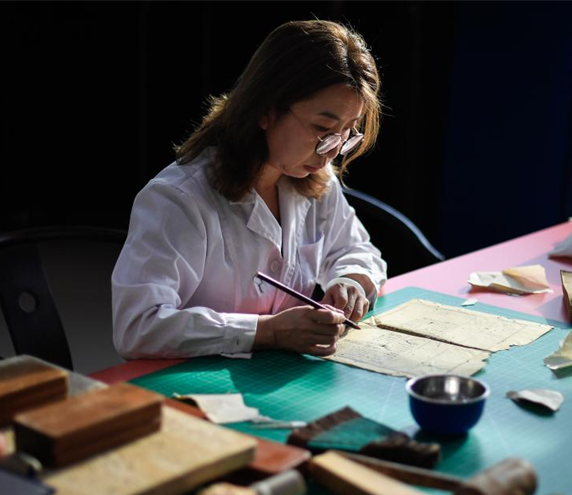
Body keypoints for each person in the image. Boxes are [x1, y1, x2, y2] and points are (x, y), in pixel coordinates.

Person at [111, 20, 387, 359]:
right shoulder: (179, 198)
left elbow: (358, 251)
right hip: (191, 383)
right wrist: (266, 331)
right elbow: (138, 326)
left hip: (268, 375)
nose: (332, 150)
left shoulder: (315, 177)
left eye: (348, 133)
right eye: (322, 128)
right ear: (266, 111)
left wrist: (351, 282)